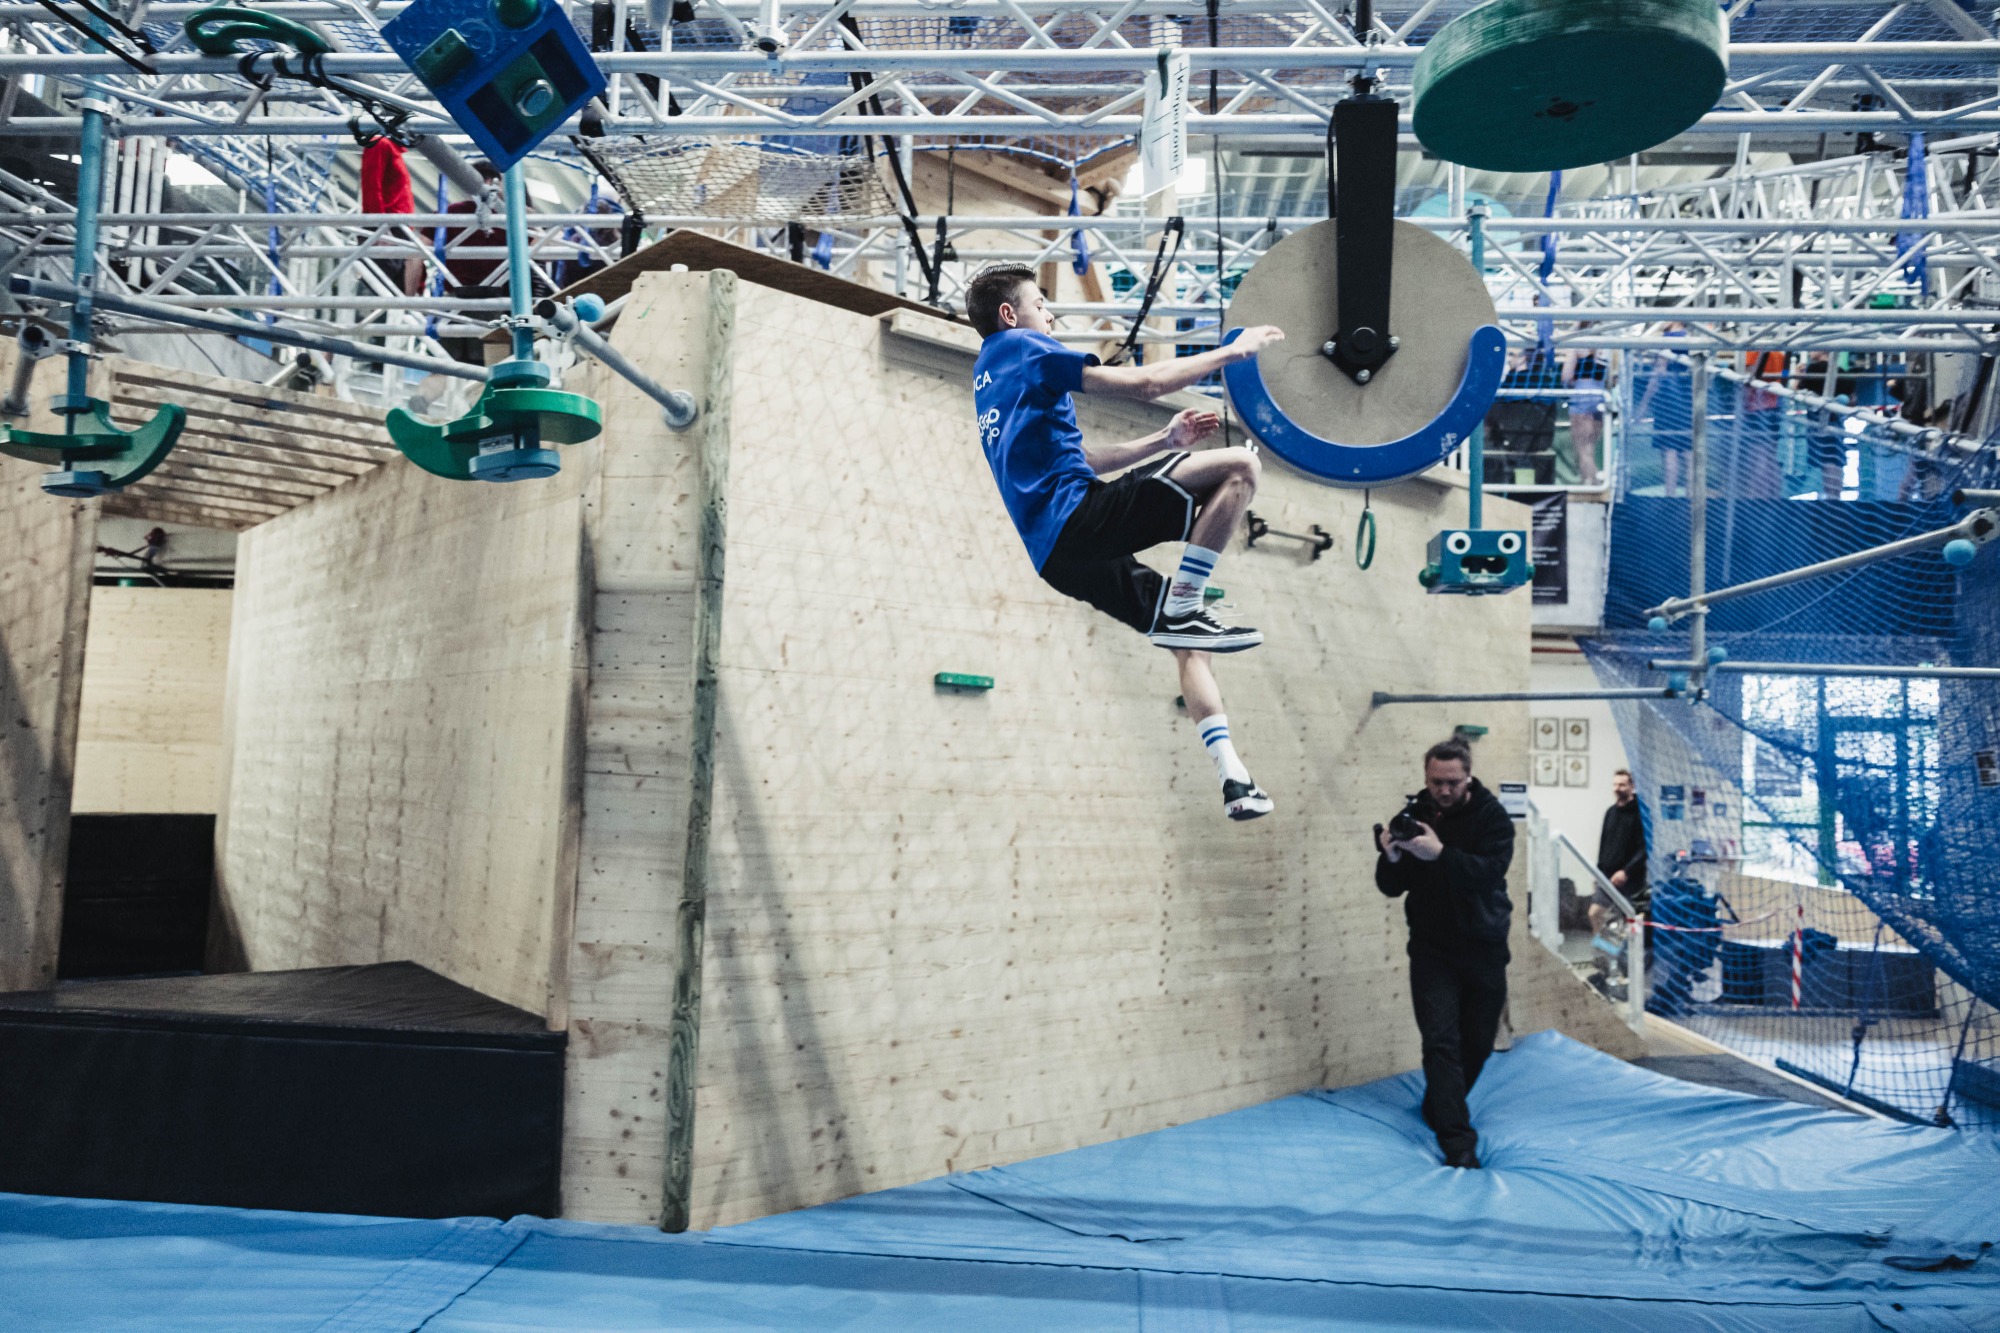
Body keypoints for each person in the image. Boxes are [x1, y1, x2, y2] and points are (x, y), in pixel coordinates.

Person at [965, 264, 1285, 821]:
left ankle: (1234, 778)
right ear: (1010, 315)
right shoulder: (1022, 347)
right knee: (1241, 465)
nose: (1051, 316)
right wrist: (1233, 353)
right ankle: (1187, 599)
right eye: (1041, 304)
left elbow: (1082, 460)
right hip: (1080, 520)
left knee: (1188, 643)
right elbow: (1146, 384)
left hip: (1058, 557)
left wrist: (1165, 439)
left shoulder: (989, 380)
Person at [1374, 739, 1515, 1168]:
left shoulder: (1493, 818)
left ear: (1468, 776)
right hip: (1432, 948)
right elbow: (1391, 887)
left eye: (1453, 782)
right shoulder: (1415, 816)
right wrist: (1391, 856)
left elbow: (1489, 874)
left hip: (1484, 946)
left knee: (1478, 1043)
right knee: (1440, 1042)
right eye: (1436, 782)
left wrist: (1441, 855)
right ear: (1426, 777)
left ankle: (1439, 1104)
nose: (1444, 790)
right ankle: (1458, 1142)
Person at [1589, 768, 1648, 935]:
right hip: (1607, 877)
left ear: (1631, 786)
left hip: (1631, 880)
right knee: (1595, 913)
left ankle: (1628, 951)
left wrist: (1626, 872)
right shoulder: (1610, 812)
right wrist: (1598, 874)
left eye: (1622, 785)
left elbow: (1644, 849)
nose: (1617, 788)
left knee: (1631, 922)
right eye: (1615, 784)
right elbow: (1604, 845)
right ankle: (1602, 949)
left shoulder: (1641, 813)